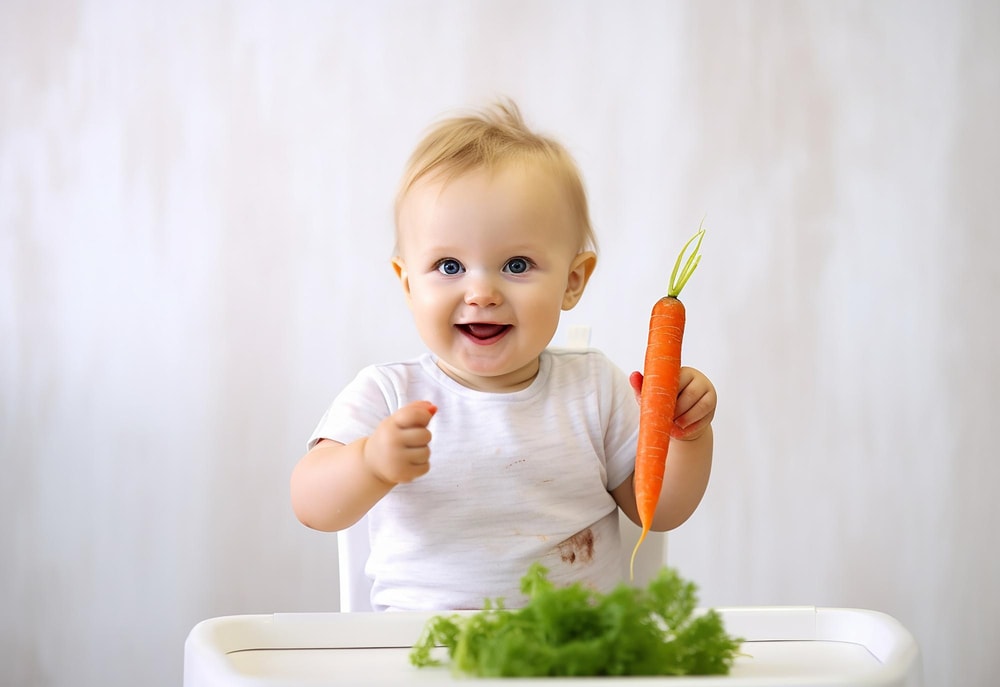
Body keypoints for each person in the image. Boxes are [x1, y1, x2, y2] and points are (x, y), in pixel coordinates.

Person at [290, 100, 716, 612]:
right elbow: (311, 505)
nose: (481, 292)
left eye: (516, 264)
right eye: (449, 266)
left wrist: (686, 437)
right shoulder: (387, 394)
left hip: (572, 654)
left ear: (572, 280)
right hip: (419, 651)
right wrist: (369, 462)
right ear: (407, 283)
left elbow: (661, 510)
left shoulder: (595, 389)